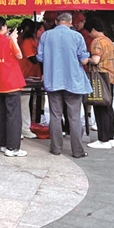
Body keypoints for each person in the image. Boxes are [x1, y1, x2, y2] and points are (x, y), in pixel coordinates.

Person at [36, 12, 91, 158]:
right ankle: (77, 151)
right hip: (73, 80)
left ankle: (55, 148)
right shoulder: (77, 36)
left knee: (55, 115)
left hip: (53, 80)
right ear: (70, 22)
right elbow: (83, 60)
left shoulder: (46, 36)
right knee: (74, 117)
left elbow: (40, 57)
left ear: (56, 21)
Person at [0, 17, 27, 157]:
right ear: (3, 27)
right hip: (11, 84)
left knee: (1, 115)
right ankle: (13, 148)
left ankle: (3, 144)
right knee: (13, 117)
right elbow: (19, 55)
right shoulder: (8, 41)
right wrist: (13, 39)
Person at [85, 19, 114, 150]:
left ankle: (103, 140)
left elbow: (96, 60)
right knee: (108, 108)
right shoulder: (109, 41)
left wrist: (87, 59)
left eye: (90, 31)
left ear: (93, 29)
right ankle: (110, 138)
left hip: (100, 78)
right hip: (110, 77)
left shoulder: (97, 42)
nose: (90, 34)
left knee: (100, 107)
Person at [17, 19, 40, 138]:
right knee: (23, 103)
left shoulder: (33, 40)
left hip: (31, 74)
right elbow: (33, 59)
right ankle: (24, 128)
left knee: (25, 102)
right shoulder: (27, 41)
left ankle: (25, 127)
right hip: (24, 74)